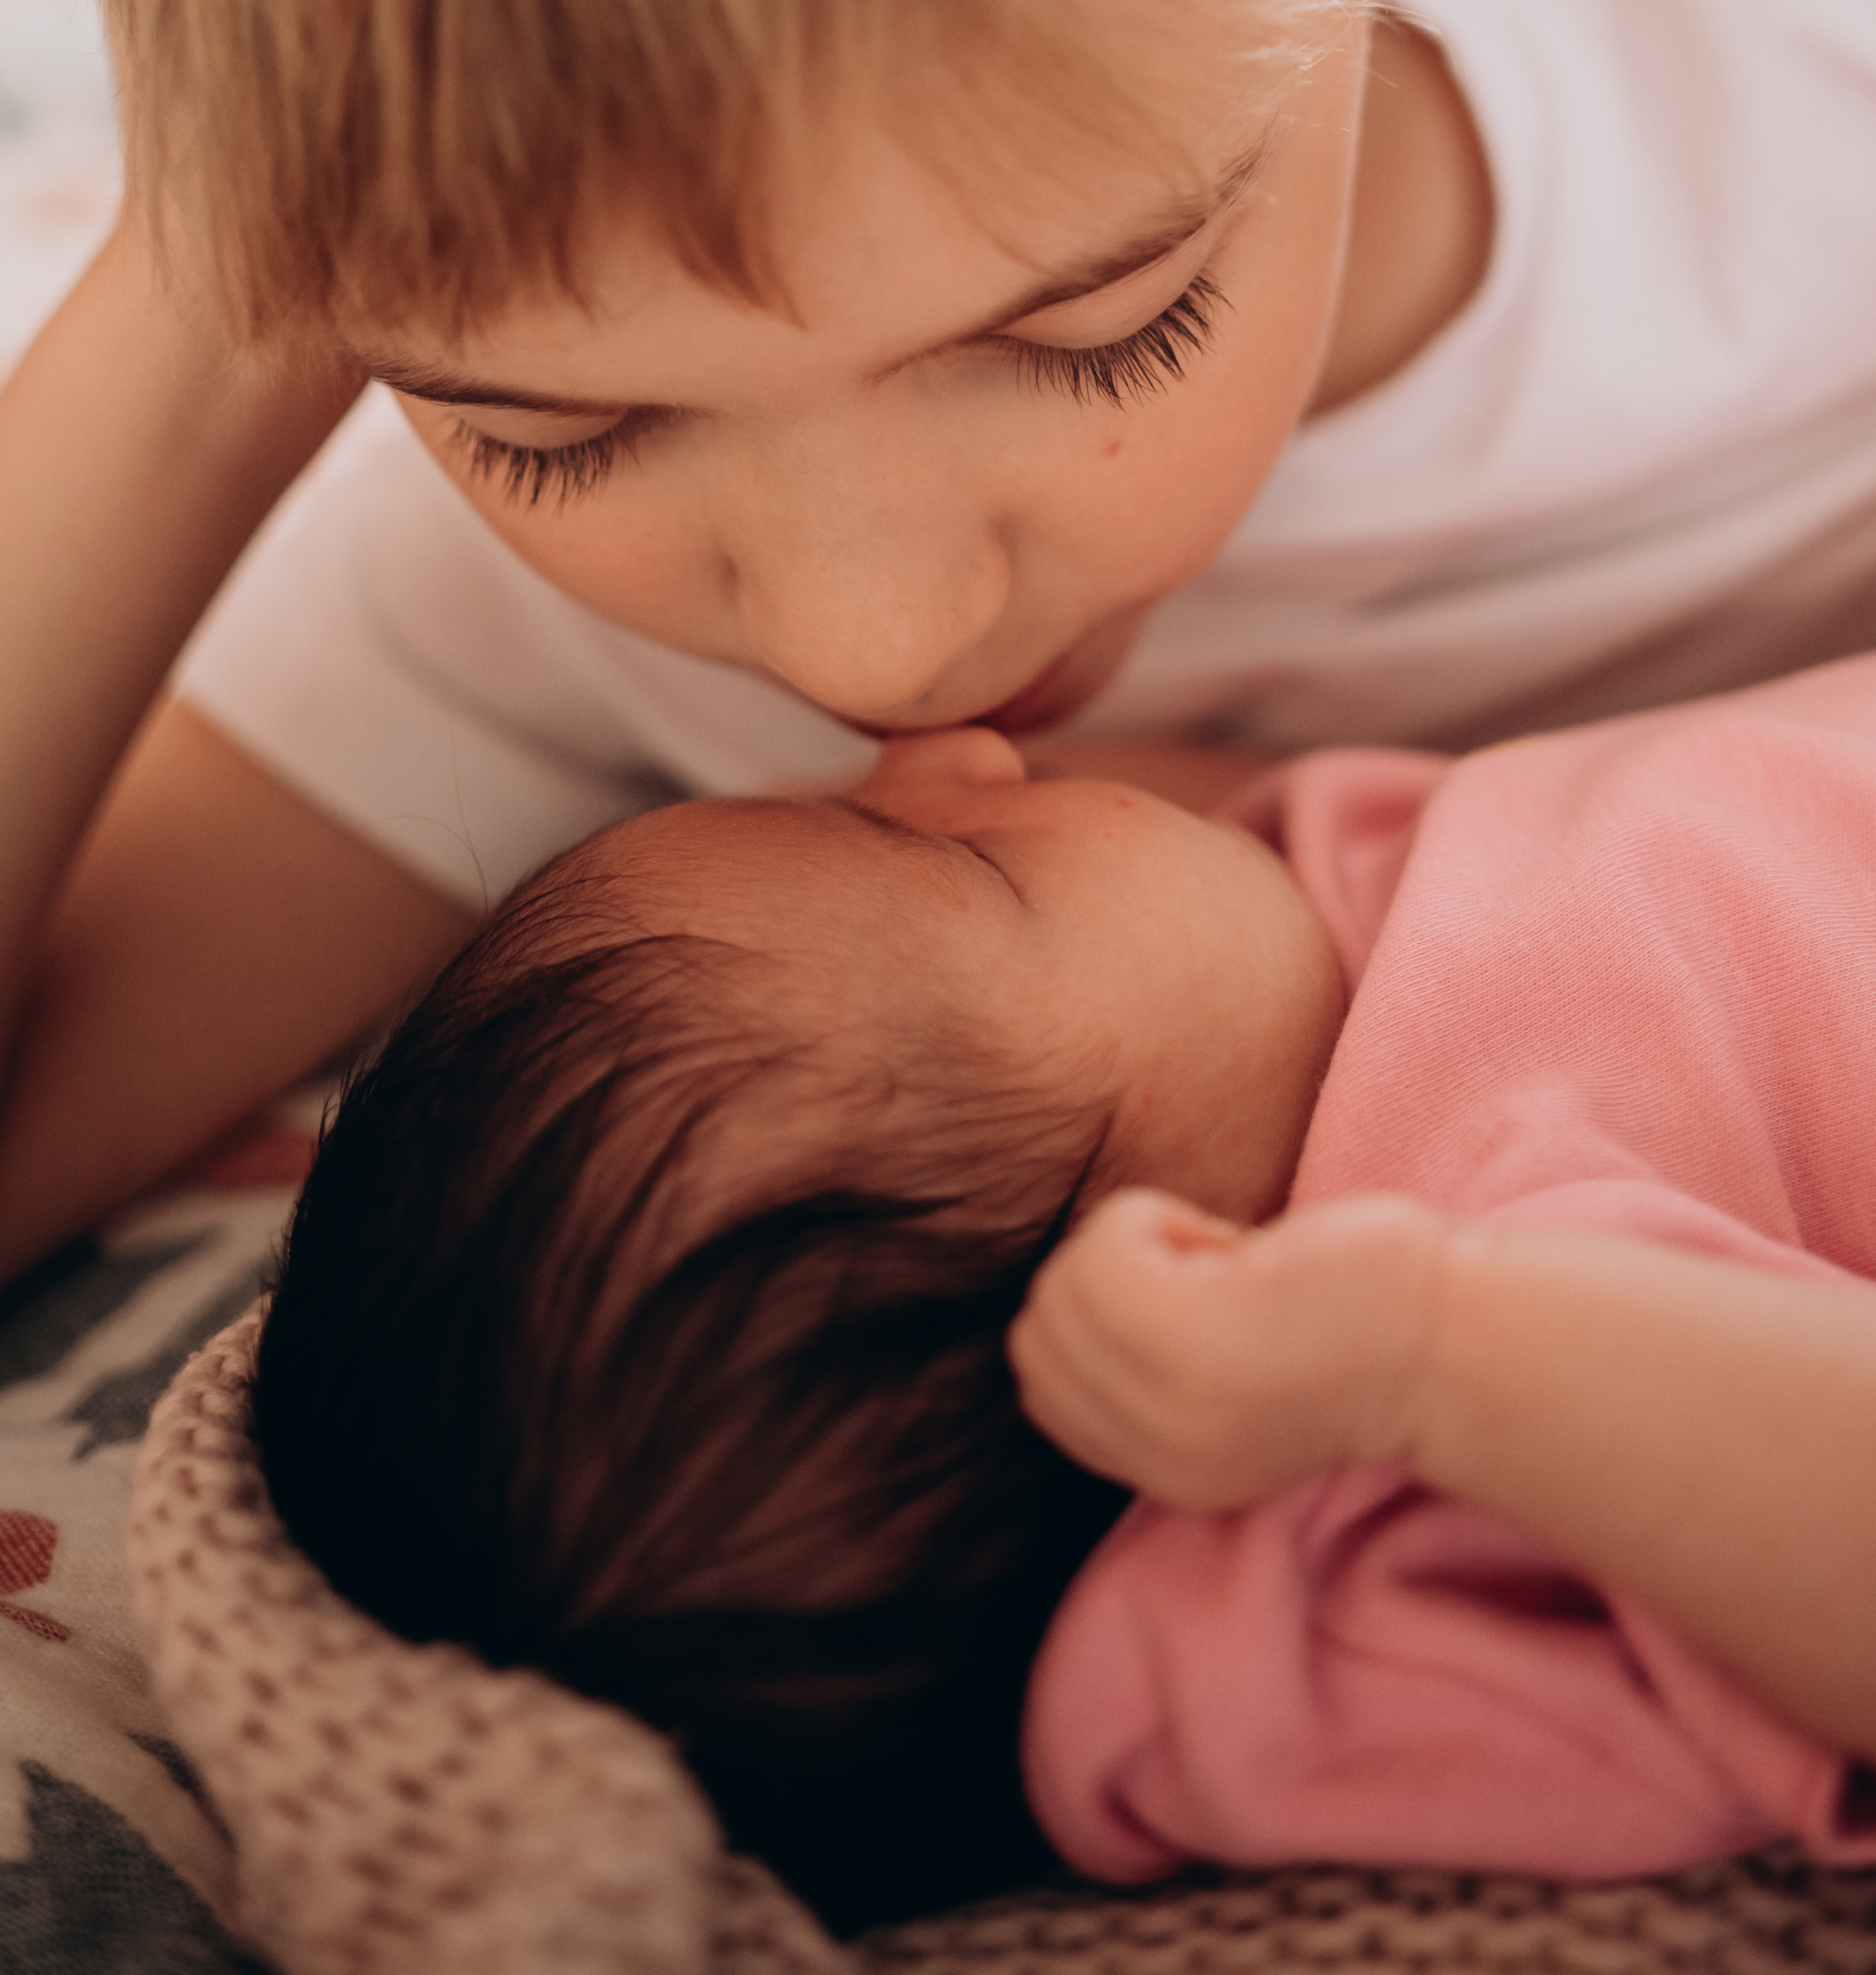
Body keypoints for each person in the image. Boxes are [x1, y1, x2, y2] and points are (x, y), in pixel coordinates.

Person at [5, 0, 1876, 1285]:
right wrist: (230, 261)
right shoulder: (496, 588)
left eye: (1100, 329)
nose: (868, 643)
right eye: (556, 428)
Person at [251, 659, 1876, 1937]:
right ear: (1146, 1293)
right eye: (942, 852)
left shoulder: (1273, 970)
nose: (956, 758)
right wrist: (1428, 1353)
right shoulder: (1446, 1403)